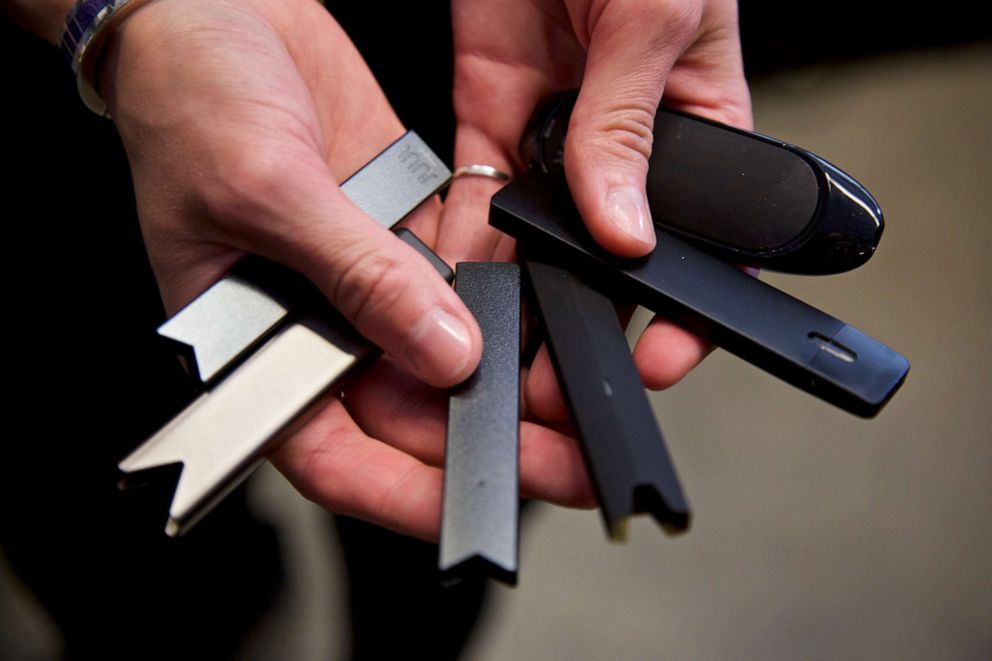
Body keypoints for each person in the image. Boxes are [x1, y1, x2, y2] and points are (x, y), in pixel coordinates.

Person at [2, 0, 751, 656]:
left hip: (464, 64)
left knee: (430, 542)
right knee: (108, 530)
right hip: (76, 144)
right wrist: (123, 15)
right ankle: (213, 610)